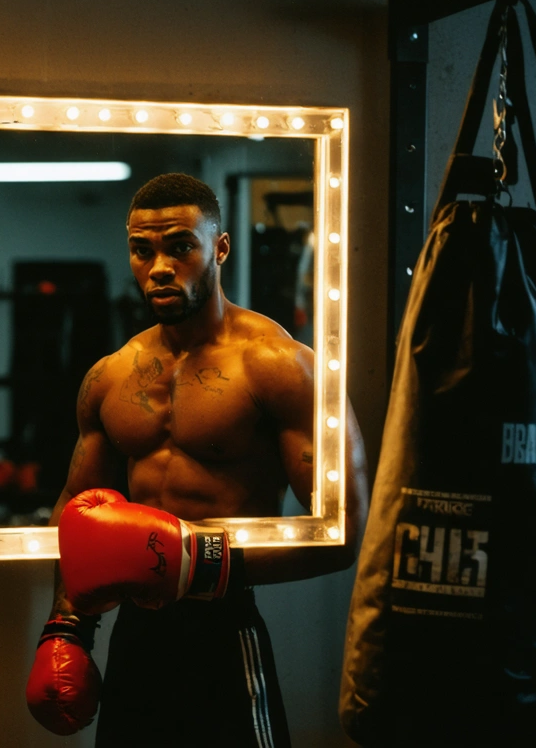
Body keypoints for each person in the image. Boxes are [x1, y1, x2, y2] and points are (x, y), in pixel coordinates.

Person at [26, 173, 368, 747]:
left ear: (220, 248)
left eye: (181, 246)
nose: (159, 267)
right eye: (142, 250)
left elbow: (343, 532)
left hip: (224, 629)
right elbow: (76, 509)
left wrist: (193, 565)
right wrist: (67, 627)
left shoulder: (278, 365)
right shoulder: (110, 376)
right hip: (136, 633)